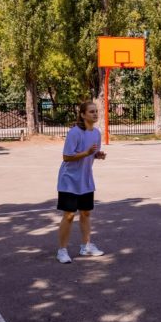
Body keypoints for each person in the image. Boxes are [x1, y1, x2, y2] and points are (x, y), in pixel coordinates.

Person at [56, 101, 107, 263]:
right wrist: (86, 153)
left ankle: (86, 246)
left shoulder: (97, 133)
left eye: (96, 111)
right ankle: (62, 251)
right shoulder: (74, 133)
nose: (95, 114)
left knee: (85, 213)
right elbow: (66, 156)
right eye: (91, 112)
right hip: (69, 180)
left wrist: (98, 155)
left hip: (85, 180)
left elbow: (93, 153)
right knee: (69, 215)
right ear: (83, 114)